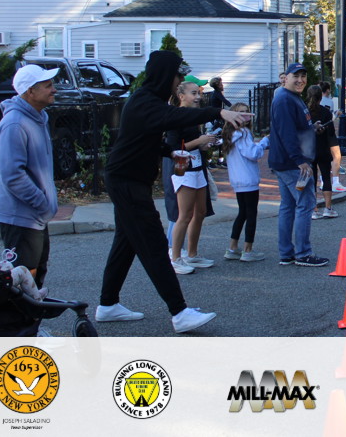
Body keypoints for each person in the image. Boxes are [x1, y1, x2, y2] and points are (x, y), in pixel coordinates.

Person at [98, 50, 251, 333]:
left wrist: (170, 151)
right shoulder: (145, 101)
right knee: (155, 245)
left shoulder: (148, 101)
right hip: (126, 182)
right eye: (177, 76)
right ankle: (179, 312)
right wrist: (219, 111)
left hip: (129, 180)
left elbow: (144, 138)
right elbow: (175, 116)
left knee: (125, 242)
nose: (179, 80)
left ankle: (108, 305)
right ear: (165, 75)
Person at [0, 64, 60, 291]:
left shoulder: (37, 118)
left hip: (34, 215)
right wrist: (42, 204)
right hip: (21, 216)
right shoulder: (15, 123)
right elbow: (12, 174)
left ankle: (33, 315)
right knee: (21, 281)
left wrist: (43, 208)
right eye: (47, 85)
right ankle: (21, 316)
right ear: (30, 91)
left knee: (35, 276)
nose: (54, 89)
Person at [268, 63, 328, 267]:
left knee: (288, 206)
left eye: (303, 76)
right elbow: (286, 133)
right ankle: (303, 253)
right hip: (293, 164)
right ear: (285, 78)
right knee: (305, 204)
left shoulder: (293, 97)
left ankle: (286, 253)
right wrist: (299, 161)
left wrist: (312, 127)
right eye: (296, 76)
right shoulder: (285, 99)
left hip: (286, 162)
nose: (300, 80)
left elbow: (296, 127)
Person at [164, 77, 219, 275]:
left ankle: (192, 254)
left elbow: (194, 143)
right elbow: (172, 147)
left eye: (199, 93)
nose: (198, 97)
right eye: (194, 93)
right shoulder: (175, 117)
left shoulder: (194, 116)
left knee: (200, 212)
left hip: (197, 168)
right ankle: (175, 257)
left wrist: (204, 144)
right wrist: (198, 141)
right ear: (181, 96)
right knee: (185, 215)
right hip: (183, 170)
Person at [221, 103, 269, 262]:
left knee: (242, 213)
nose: (245, 115)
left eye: (246, 112)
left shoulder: (230, 134)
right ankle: (248, 250)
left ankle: (232, 247)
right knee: (251, 213)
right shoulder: (243, 133)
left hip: (237, 179)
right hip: (248, 178)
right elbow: (253, 153)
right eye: (241, 112)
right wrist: (264, 142)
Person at [306, 85, 338, 220]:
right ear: (321, 97)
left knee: (311, 180)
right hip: (323, 148)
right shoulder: (326, 112)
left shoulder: (305, 112)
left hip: (309, 149)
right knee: (326, 177)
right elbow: (331, 132)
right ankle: (328, 208)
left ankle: (314, 209)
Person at [320, 81, 346, 192]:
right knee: (336, 155)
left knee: (322, 157)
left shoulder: (317, 101)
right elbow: (329, 117)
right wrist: (336, 114)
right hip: (328, 130)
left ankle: (323, 181)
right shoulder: (328, 101)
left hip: (319, 131)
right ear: (327, 90)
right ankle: (335, 182)